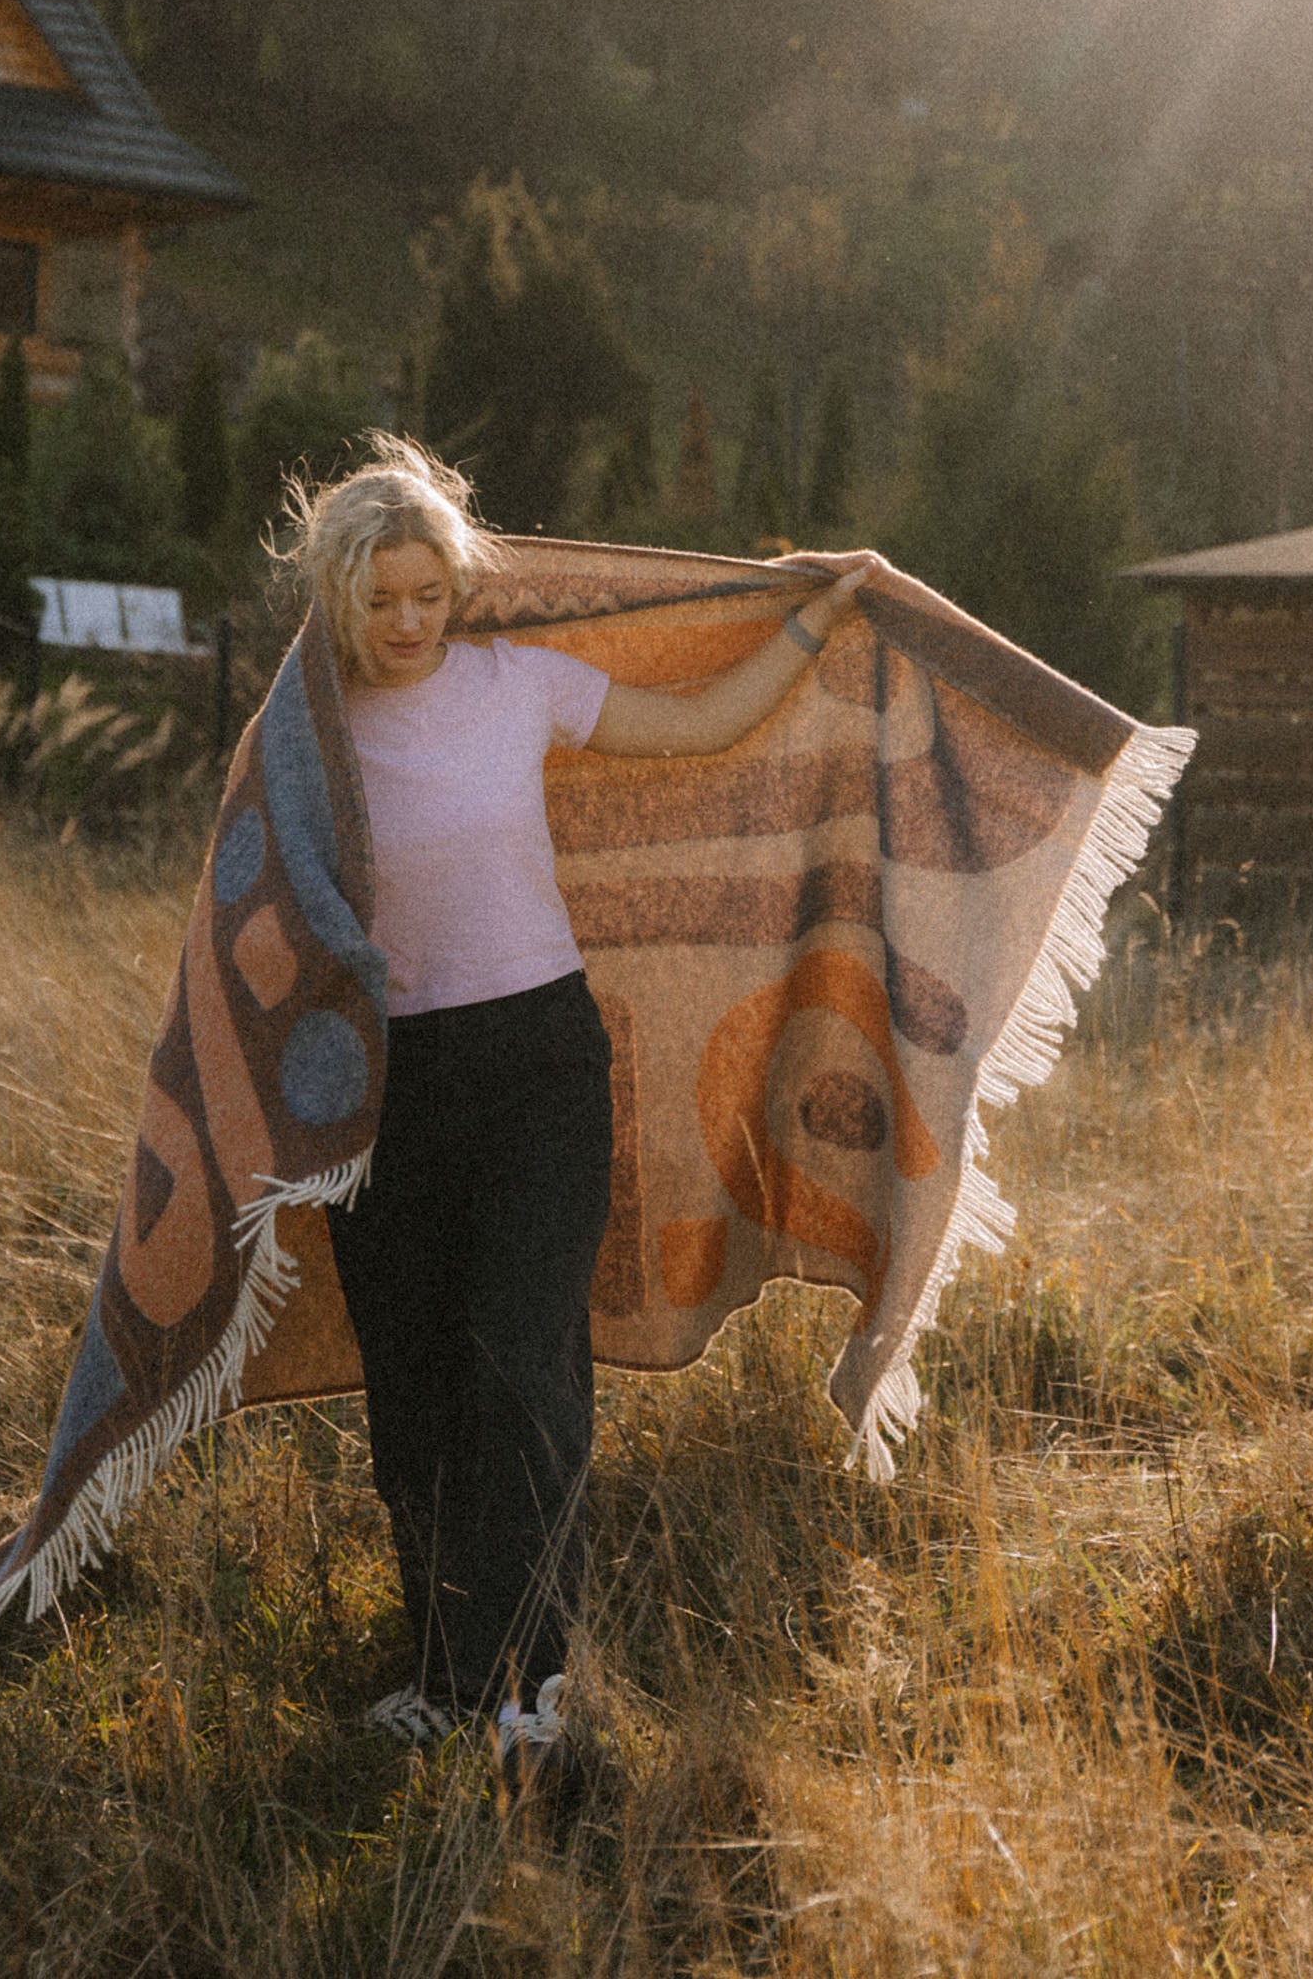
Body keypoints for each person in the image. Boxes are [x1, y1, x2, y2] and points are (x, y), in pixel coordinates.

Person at [290, 438, 873, 1769]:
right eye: (379, 599)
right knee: (416, 1386)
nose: (406, 623)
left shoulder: (518, 686)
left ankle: (531, 1693)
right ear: (335, 595)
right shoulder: (303, 732)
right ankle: (444, 1677)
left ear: (458, 588)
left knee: (521, 1361)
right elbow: (257, 909)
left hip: (540, 1069)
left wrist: (805, 616)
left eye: (427, 594)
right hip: (386, 1088)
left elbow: (703, 724)